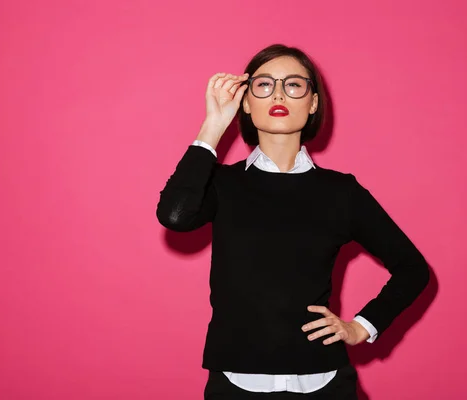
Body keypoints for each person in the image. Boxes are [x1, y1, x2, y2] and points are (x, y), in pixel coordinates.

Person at [156, 44, 429, 399]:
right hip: (236, 384)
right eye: (264, 85)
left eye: (294, 85)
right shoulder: (223, 184)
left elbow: (413, 269)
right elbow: (175, 216)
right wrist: (213, 125)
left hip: (326, 383)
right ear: (246, 102)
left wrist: (362, 327)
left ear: (313, 103)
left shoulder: (341, 192)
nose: (279, 94)